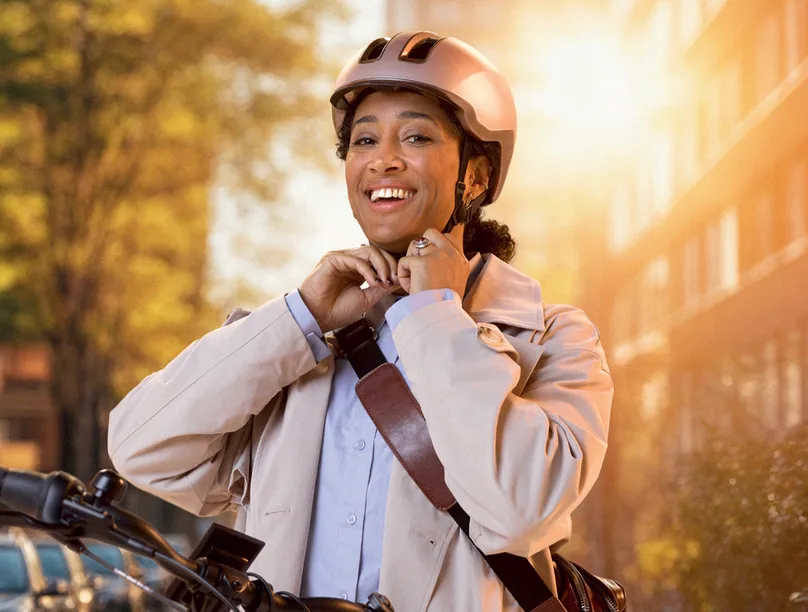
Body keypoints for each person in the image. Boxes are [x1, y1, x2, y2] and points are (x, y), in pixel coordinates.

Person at [108, 31, 613, 611]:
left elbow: (520, 510)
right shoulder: (300, 340)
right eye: (364, 139)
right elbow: (140, 446)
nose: (382, 159)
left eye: (417, 136)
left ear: (473, 178)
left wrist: (434, 316)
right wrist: (302, 314)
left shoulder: (554, 339)